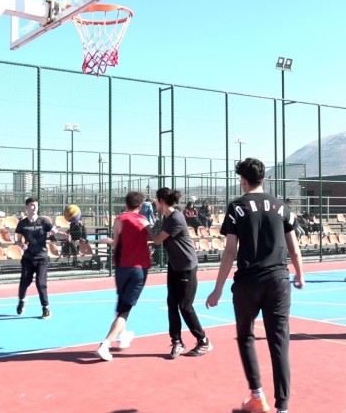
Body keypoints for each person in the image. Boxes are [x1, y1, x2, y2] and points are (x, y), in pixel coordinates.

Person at [206, 158, 304, 413]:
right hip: (278, 281)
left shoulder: (237, 207)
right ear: (263, 179)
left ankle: (257, 396)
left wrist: (218, 288)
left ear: (244, 180)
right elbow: (294, 248)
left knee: (246, 336)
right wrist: (300, 274)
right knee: (279, 342)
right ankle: (282, 407)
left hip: (248, 282)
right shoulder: (281, 207)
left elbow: (230, 251)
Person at [145, 187, 213, 359]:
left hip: (186, 266)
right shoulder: (167, 218)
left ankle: (203, 340)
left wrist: (145, 225)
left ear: (161, 201)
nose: (154, 203)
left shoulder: (175, 217)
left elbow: (158, 240)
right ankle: (177, 341)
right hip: (175, 265)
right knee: (172, 304)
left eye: (155, 200)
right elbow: (155, 238)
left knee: (185, 306)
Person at [96, 191, 152, 361]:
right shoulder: (144, 221)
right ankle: (105, 344)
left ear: (126, 204)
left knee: (121, 303)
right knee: (125, 311)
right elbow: (153, 238)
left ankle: (123, 335)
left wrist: (113, 243)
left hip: (121, 268)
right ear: (140, 206)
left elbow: (118, 244)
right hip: (138, 269)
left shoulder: (119, 220)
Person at [14, 197, 57, 319]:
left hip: (41, 258)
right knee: (24, 282)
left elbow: (55, 231)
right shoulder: (22, 223)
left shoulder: (44, 221)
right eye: (32, 205)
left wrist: (63, 235)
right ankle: (22, 300)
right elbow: (18, 240)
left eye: (36, 205)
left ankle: (46, 308)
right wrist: (21, 245)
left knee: (40, 283)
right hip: (28, 258)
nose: (34, 208)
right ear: (27, 207)